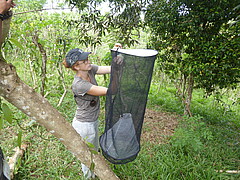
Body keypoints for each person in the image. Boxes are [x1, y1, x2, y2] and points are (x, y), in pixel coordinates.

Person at [63, 48, 123, 179]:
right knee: (88, 155)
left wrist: (117, 54)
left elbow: (109, 68)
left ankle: (94, 174)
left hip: (93, 121)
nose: (88, 62)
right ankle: (88, 177)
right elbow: (111, 90)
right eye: (84, 61)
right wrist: (117, 71)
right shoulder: (79, 85)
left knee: (94, 152)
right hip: (84, 124)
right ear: (76, 66)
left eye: (87, 59)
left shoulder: (89, 70)